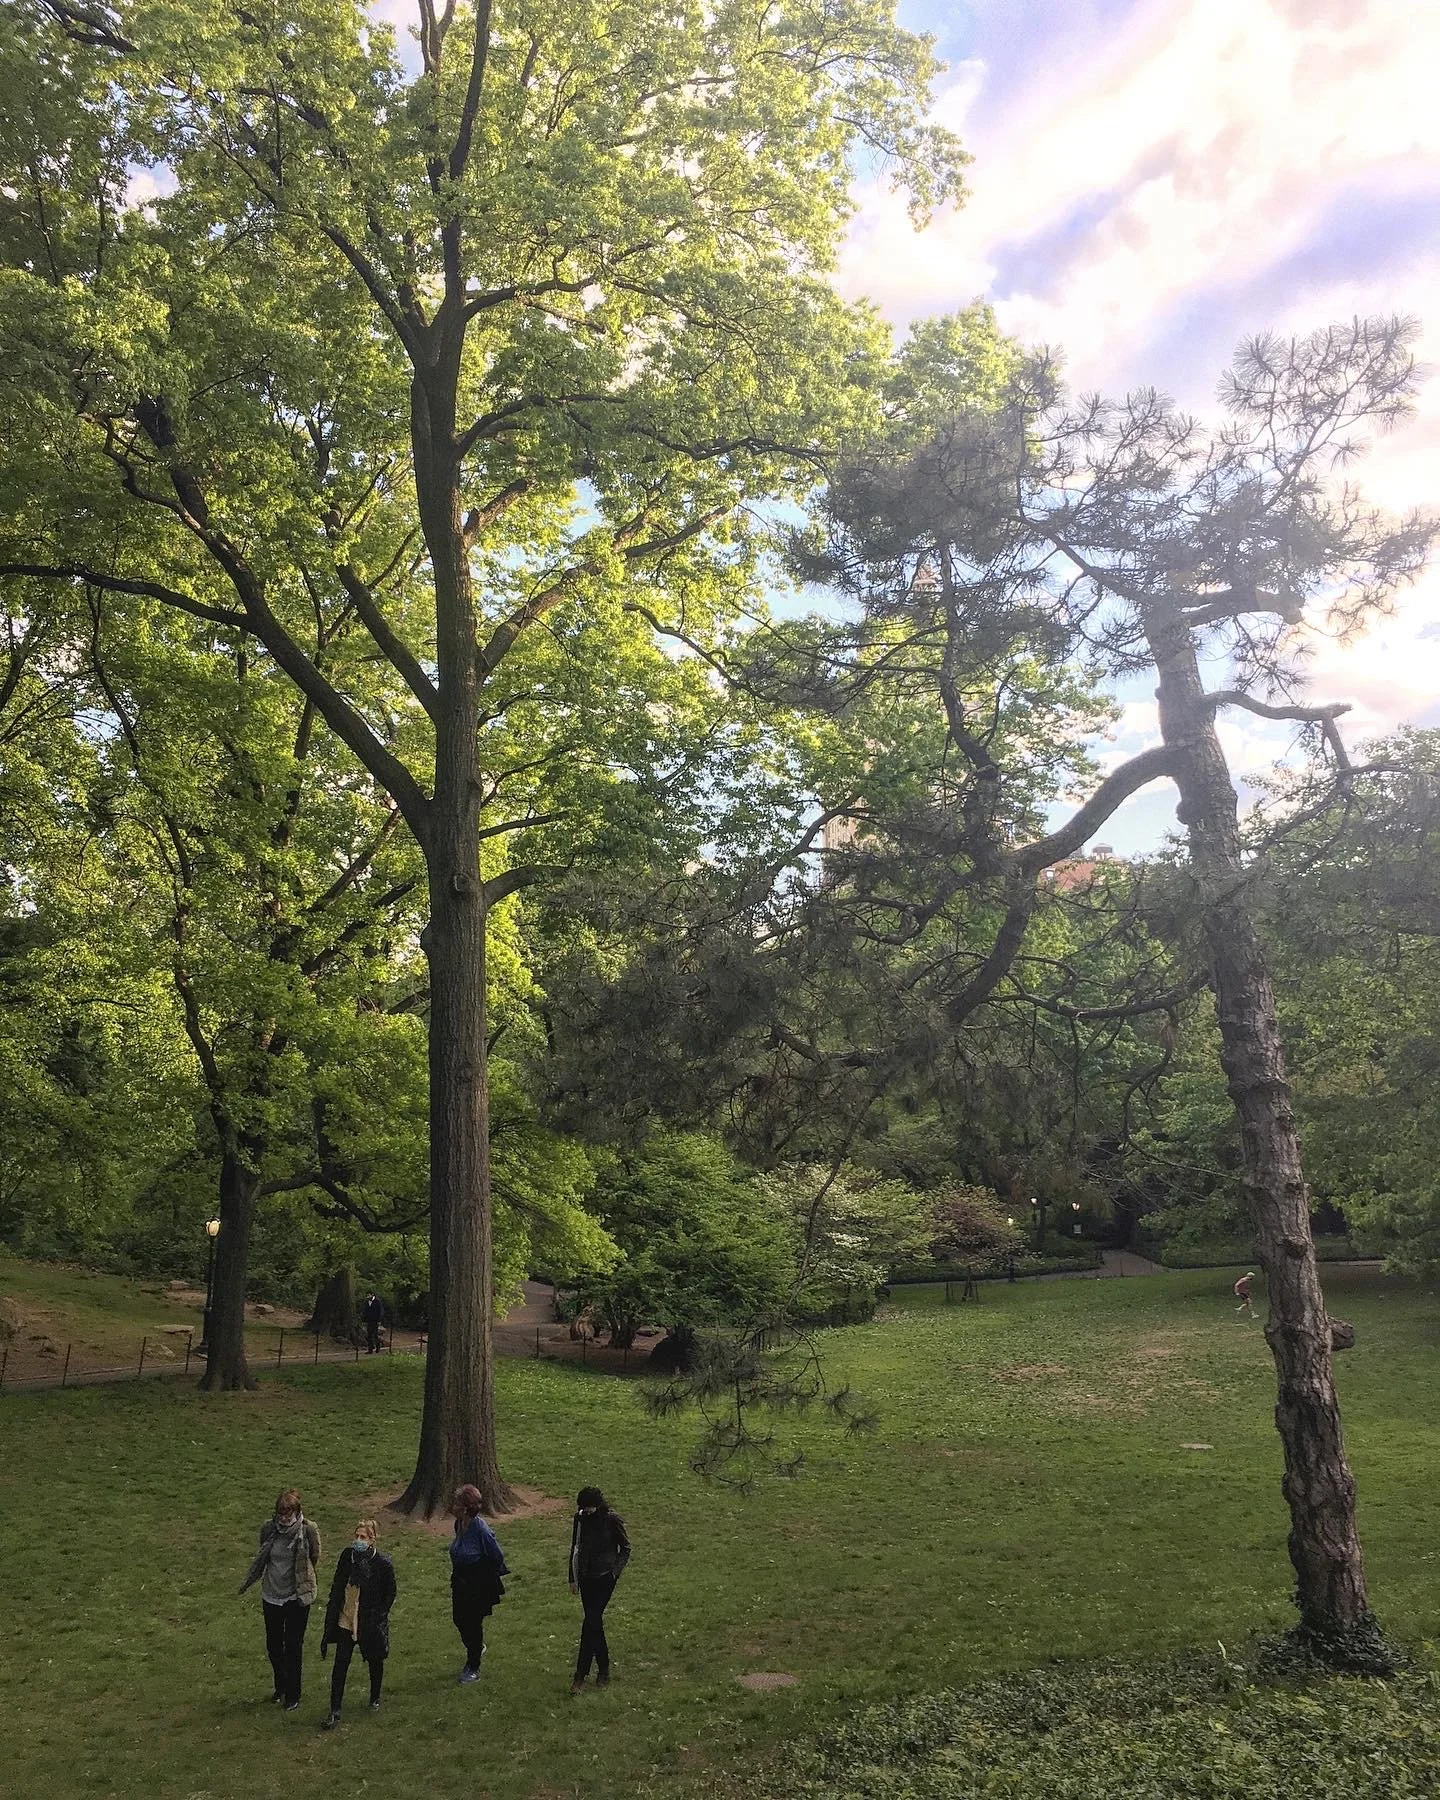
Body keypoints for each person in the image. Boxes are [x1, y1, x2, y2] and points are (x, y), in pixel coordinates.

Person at [238, 1488, 321, 1712]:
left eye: (288, 1513)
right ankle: (280, 1686)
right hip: (271, 1595)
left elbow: (314, 1556)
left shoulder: (308, 1530)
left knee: (293, 1646)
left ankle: (293, 1695)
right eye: (280, 1514)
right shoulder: (269, 1529)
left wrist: (303, 1580)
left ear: (297, 1511)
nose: (284, 1518)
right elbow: (264, 1551)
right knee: (274, 1646)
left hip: (296, 1597)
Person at [319, 1518, 396, 1729]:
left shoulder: (382, 1563)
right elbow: (338, 1583)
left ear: (372, 1540)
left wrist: (379, 1615)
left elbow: (390, 1593)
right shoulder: (347, 1557)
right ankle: (334, 1710)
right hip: (346, 1617)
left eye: (363, 1537)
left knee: (374, 1659)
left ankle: (375, 1697)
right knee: (340, 1664)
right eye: (356, 1535)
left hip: (368, 1620)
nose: (358, 1540)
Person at [568, 1486, 630, 1694]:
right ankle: (603, 1667)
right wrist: (572, 1577)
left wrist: (615, 1572)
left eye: (589, 1508)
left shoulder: (611, 1520)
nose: (586, 1512)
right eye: (583, 1509)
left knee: (591, 1622)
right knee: (593, 1623)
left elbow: (625, 1548)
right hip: (586, 1577)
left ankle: (581, 1674)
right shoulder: (580, 1519)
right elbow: (575, 1547)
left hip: (605, 1578)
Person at [449, 1485, 508, 1684]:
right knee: (459, 1619)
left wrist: (483, 1575)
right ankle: (477, 1647)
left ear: (466, 1508)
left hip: (475, 1583)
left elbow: (497, 1555)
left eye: (456, 1503)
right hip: (459, 1580)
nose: (453, 1506)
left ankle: (473, 1666)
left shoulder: (480, 1528)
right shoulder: (459, 1524)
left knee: (473, 1623)